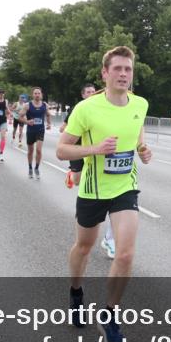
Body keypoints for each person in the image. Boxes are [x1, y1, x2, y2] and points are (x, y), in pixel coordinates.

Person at [56, 47, 151, 342]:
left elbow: (136, 137)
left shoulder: (140, 104)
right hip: (93, 190)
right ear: (105, 73)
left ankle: (109, 316)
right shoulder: (86, 109)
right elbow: (61, 150)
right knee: (84, 247)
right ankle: (75, 291)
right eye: (118, 68)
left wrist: (143, 149)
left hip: (125, 188)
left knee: (125, 254)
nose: (124, 74)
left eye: (128, 69)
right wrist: (94, 149)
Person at [62, 84, 115, 257]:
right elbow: (64, 129)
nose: (92, 94)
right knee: (77, 180)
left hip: (96, 154)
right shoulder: (79, 110)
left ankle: (110, 238)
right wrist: (71, 129)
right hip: (78, 150)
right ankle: (72, 174)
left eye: (94, 92)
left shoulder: (101, 109)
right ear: (83, 94)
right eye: (88, 92)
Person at [18, 87, 51, 178]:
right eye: (35, 93)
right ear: (32, 95)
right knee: (30, 151)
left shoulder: (45, 105)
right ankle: (30, 168)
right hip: (30, 131)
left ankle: (36, 168)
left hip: (40, 130)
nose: (37, 95)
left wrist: (49, 124)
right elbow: (20, 117)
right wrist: (27, 122)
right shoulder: (27, 105)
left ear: (41, 95)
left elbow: (48, 115)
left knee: (39, 150)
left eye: (38, 93)